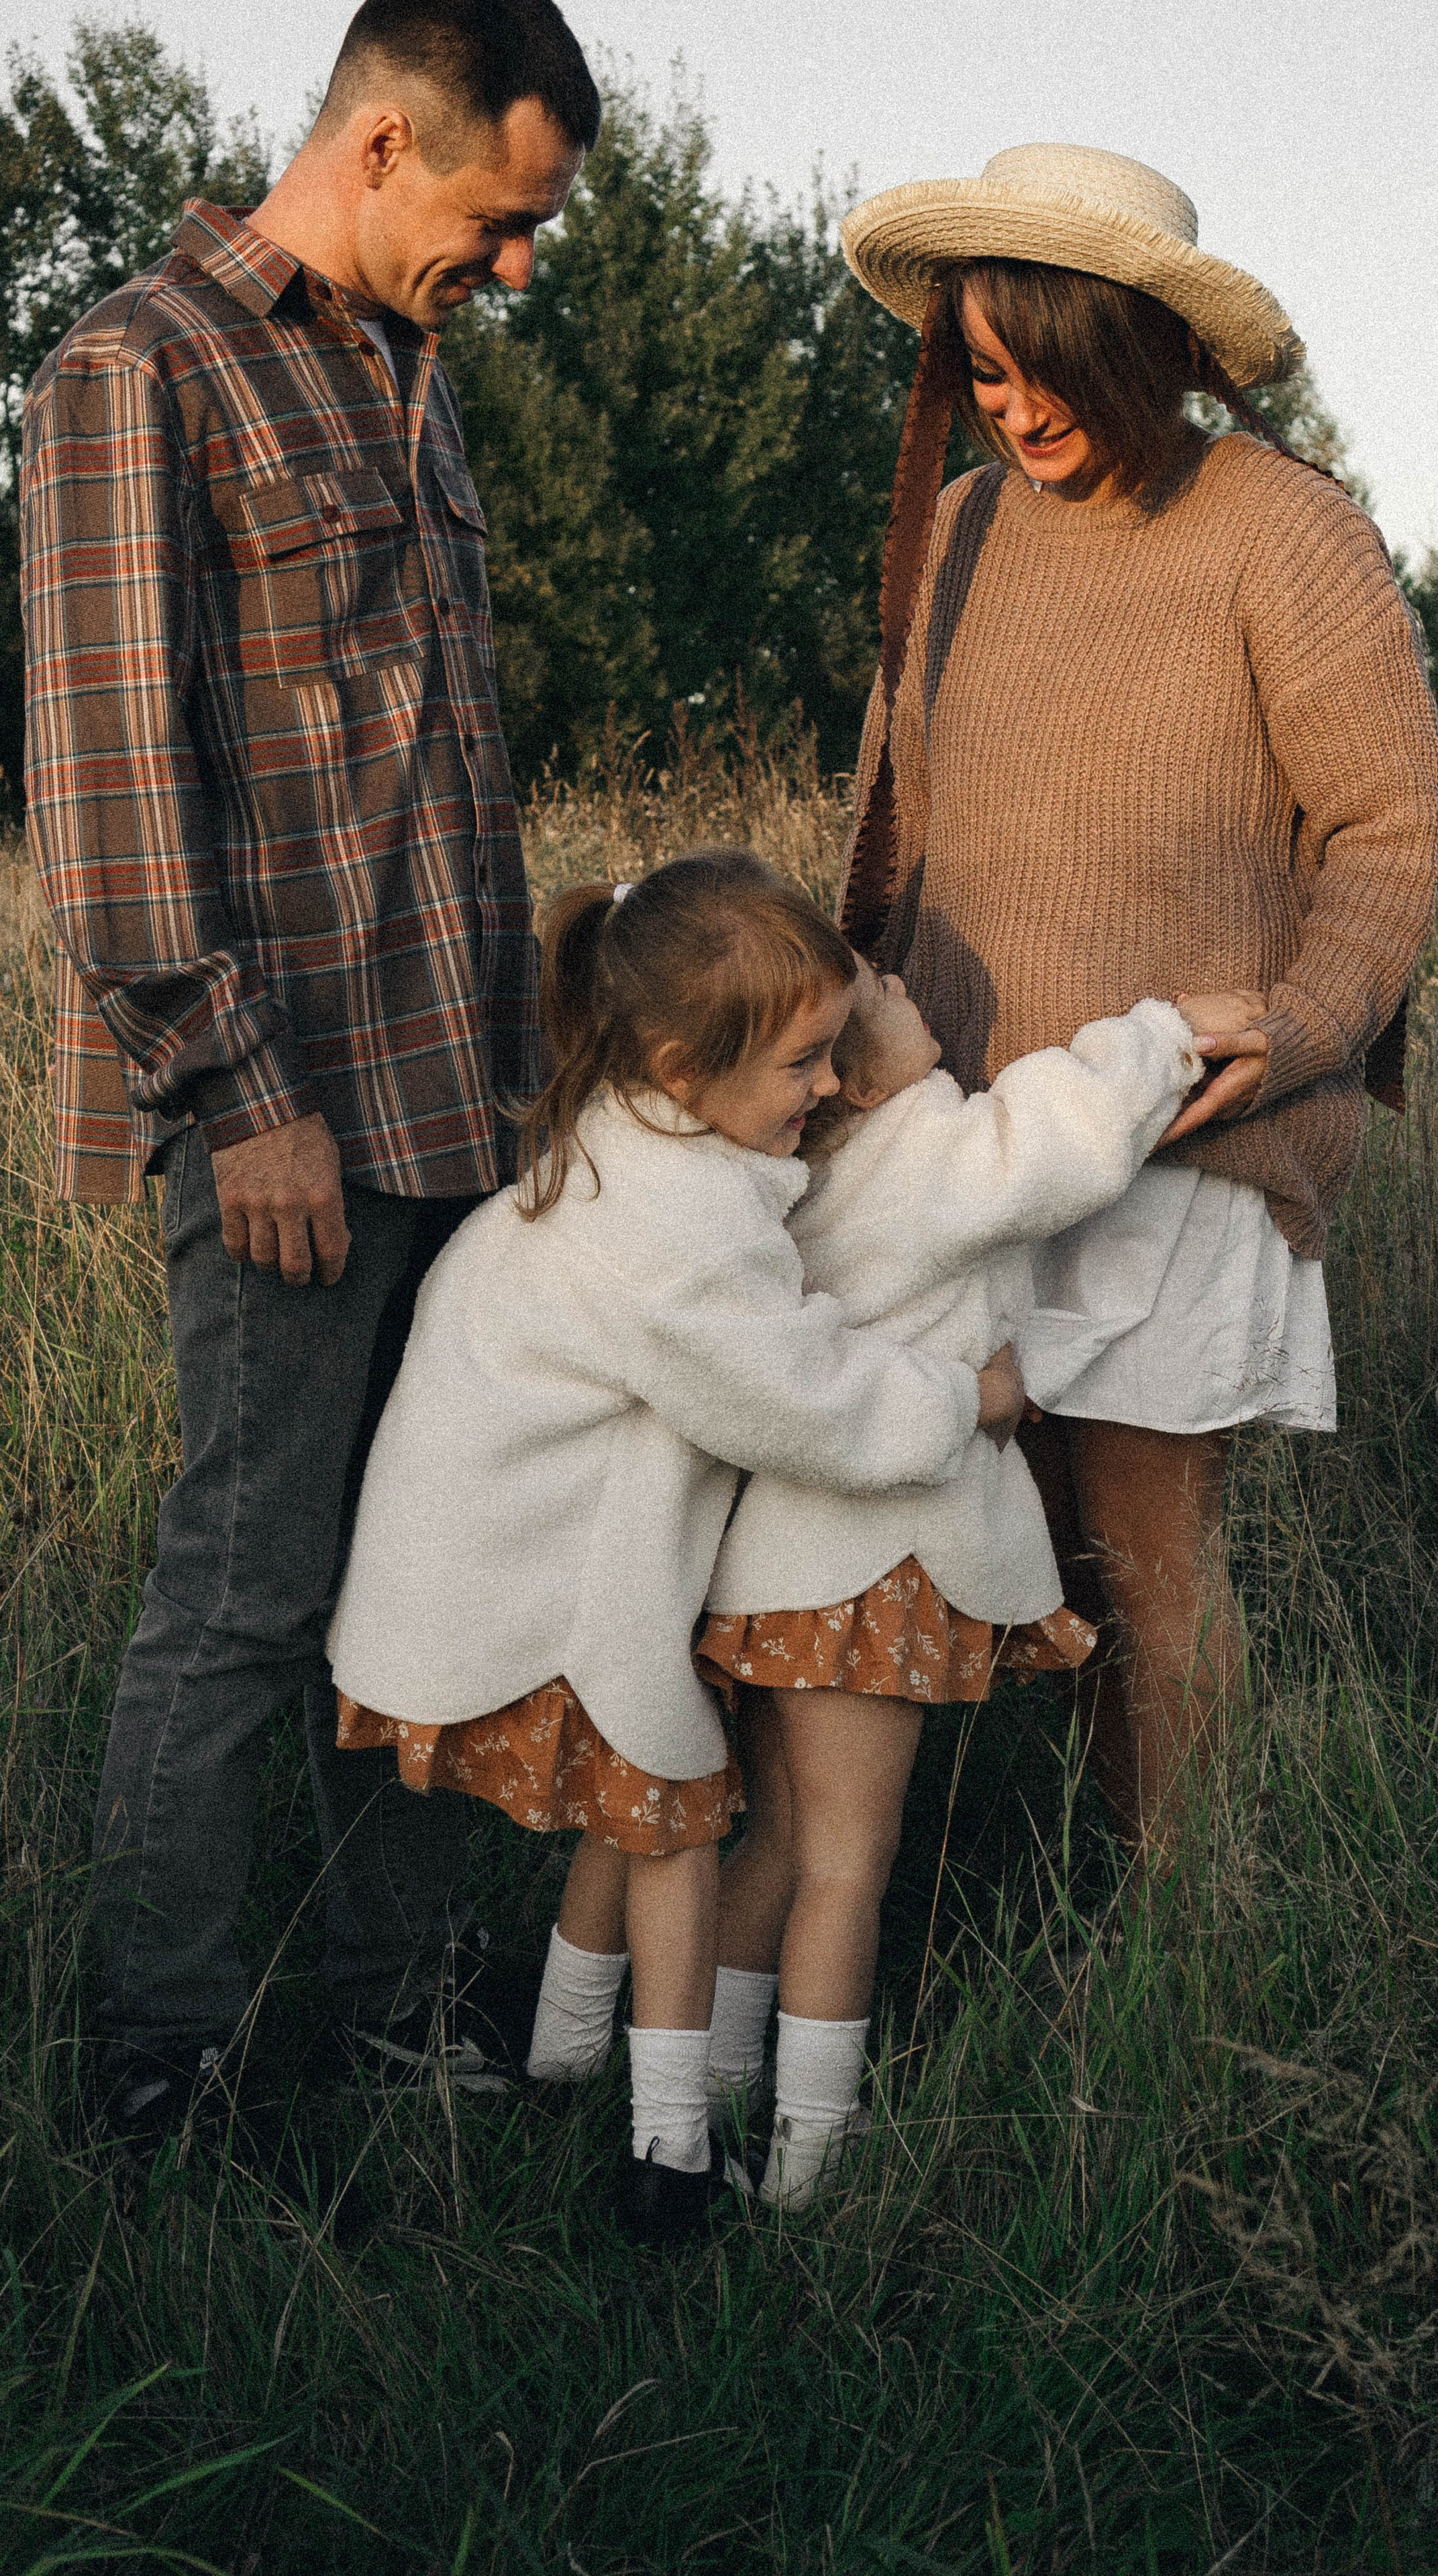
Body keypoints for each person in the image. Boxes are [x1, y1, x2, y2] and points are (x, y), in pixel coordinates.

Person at [18, 0, 602, 2170]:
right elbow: (108, 790)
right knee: (246, 1599)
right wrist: (234, 1092)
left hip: (459, 1106)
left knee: (426, 1577)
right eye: (501, 218)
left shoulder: (411, 383)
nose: (516, 267)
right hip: (288, 1126)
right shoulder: (137, 369)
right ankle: (159, 2069)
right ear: (378, 144)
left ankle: (396, 2009)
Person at [835, 144, 1438, 1862]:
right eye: (983, 370)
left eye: (1053, 369)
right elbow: (892, 812)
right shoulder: (958, 530)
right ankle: (1026, 1891)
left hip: (1177, 1135)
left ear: (1155, 352)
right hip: (962, 1148)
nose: (1018, 409)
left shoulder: (1282, 528)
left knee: (1140, 1558)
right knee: (998, 1546)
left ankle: (1190, 1939)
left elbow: (1386, 824)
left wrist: (1304, 1023)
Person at [326, 853, 1027, 2245]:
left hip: (500, 1542)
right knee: (679, 1823)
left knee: (632, 1803)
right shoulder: (676, 1226)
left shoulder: (632, 1134)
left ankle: (561, 2057)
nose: (825, 1088)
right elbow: (797, 1396)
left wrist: (854, 1087)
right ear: (681, 1067)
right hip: (534, 1572)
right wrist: (967, 1402)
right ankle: (670, 2152)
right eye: (801, 1066)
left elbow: (766, 1313)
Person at [691, 957, 1200, 2206]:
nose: (902, 975)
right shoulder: (922, 1146)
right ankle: (810, 2151)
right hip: (876, 1572)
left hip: (777, 1566)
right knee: (847, 1869)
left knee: (779, 1844)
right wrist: (1164, 1035)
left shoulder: (784, 1180)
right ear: (860, 1082)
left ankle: (709, 2096)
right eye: (883, 990)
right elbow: (1058, 1146)